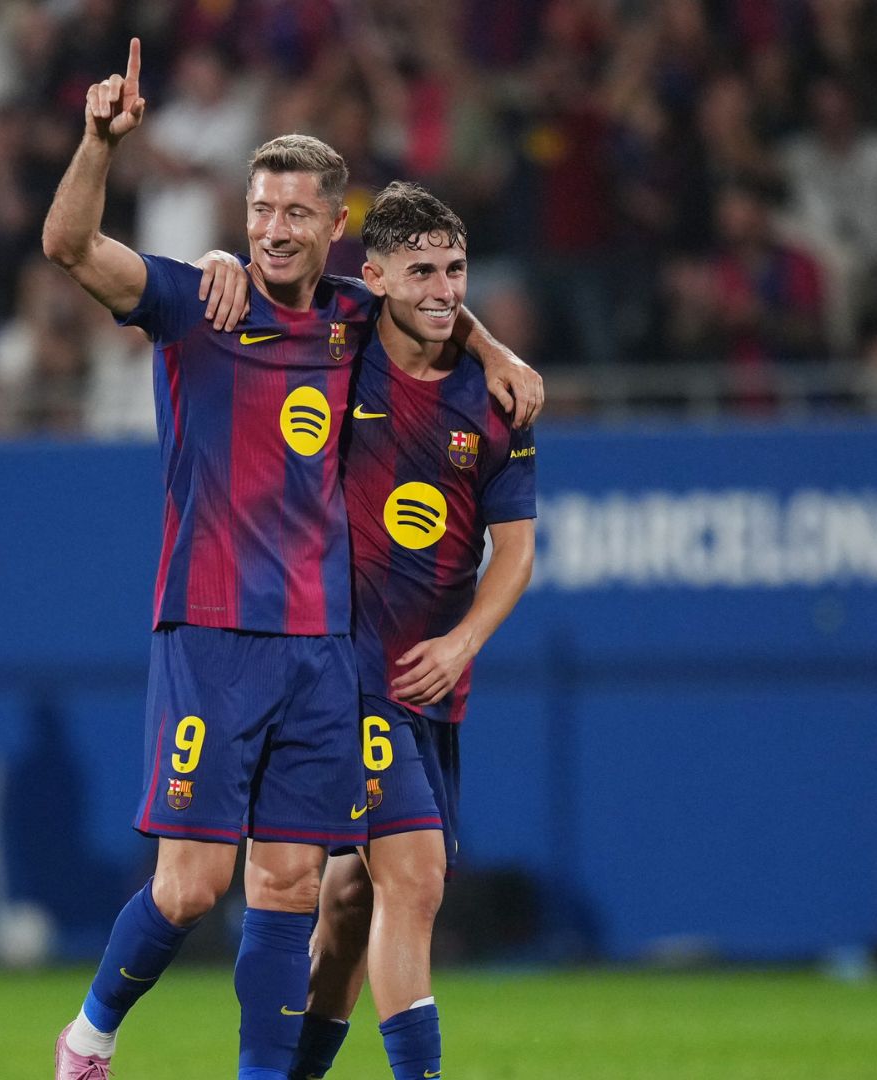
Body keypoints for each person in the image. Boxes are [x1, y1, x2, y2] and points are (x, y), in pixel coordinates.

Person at [39, 39, 542, 1080]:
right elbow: (69, 247)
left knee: (286, 886)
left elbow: (429, 295)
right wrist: (96, 143)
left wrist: (492, 349)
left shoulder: (356, 313)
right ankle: (90, 1037)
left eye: (295, 212)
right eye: (260, 210)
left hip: (322, 647)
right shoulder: (197, 304)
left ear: (334, 228)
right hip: (212, 628)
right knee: (188, 887)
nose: (272, 228)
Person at [292, 182, 539, 1080]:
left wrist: (465, 641)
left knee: (354, 903)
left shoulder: (495, 403)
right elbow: (273, 278)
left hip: (434, 680)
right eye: (422, 270)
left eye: (457, 269)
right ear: (377, 276)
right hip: (350, 668)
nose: (442, 288)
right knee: (420, 877)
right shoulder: (338, 349)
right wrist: (214, 266)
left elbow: (515, 551)